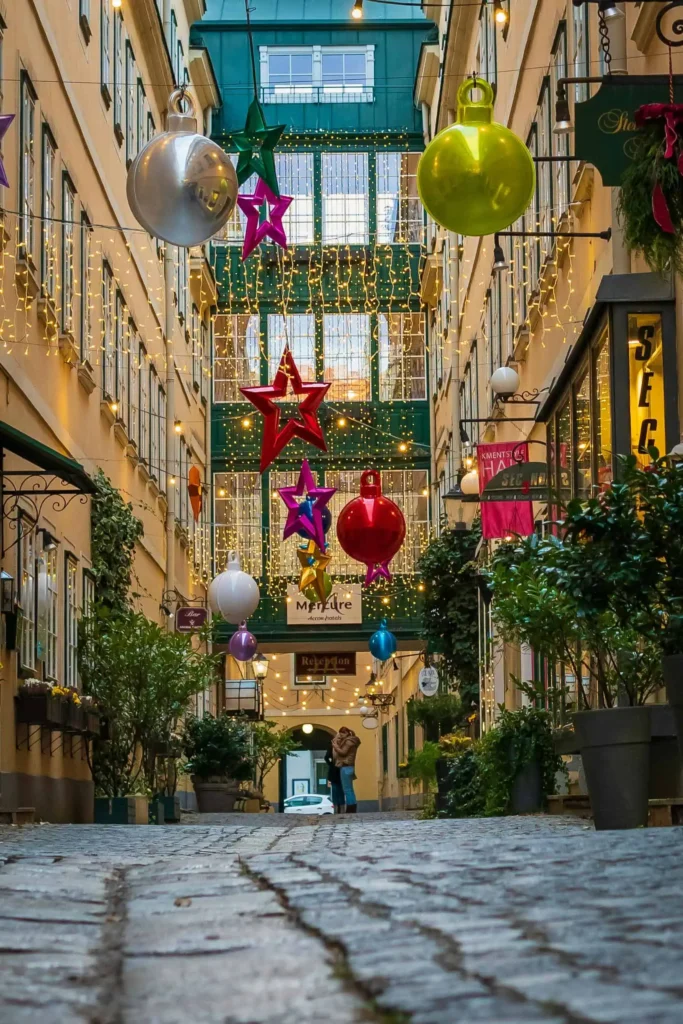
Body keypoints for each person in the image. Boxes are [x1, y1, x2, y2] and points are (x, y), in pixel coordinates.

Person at [331, 726, 361, 813]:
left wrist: (335, 746)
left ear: (347, 733)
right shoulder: (352, 741)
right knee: (350, 789)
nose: (340, 735)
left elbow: (343, 752)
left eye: (342, 733)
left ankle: (351, 808)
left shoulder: (349, 741)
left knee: (347, 789)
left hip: (345, 766)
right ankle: (352, 807)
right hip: (349, 766)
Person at [325, 745, 345, 814]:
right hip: (341, 770)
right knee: (340, 791)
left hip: (333, 771)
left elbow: (326, 757)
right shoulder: (342, 746)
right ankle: (341, 809)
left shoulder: (332, 746)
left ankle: (336, 809)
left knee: (335, 791)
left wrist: (331, 764)